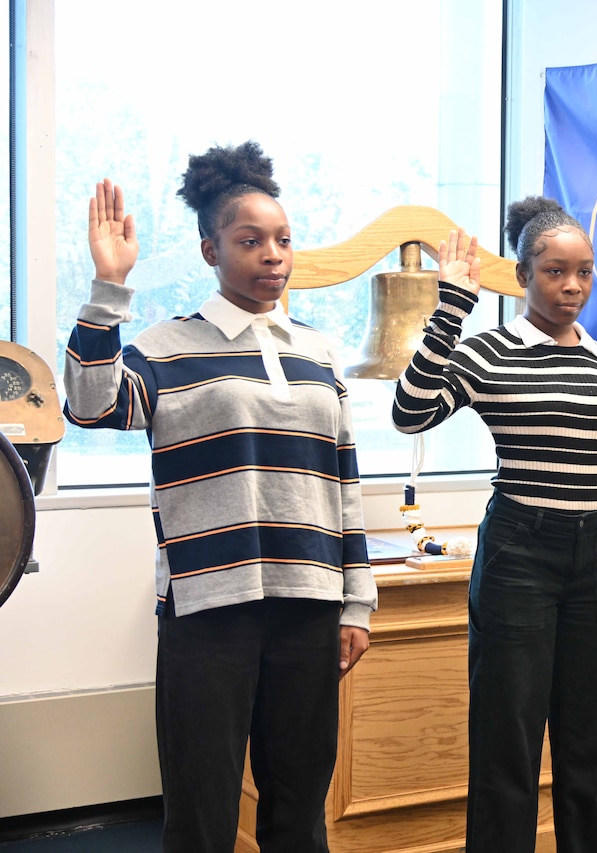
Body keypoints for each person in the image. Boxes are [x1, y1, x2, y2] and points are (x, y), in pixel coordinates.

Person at [63, 141, 377, 853]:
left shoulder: (319, 352)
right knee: (202, 816)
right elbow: (89, 404)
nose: (273, 255)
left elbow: (344, 486)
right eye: (250, 240)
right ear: (211, 248)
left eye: (284, 240)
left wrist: (356, 601)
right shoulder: (166, 348)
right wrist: (108, 287)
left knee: (299, 814)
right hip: (208, 612)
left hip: (309, 607)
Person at [391, 196, 597, 853]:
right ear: (523, 275)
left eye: (584, 272)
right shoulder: (490, 354)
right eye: (554, 271)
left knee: (590, 750)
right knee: (506, 748)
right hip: (520, 556)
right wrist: (451, 310)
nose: (572, 286)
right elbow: (410, 412)